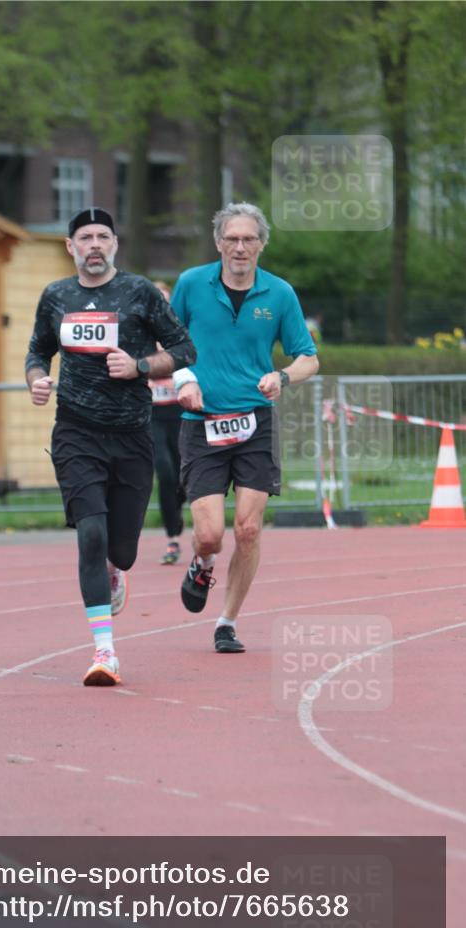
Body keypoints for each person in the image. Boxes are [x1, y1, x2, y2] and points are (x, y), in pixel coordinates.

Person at [25, 207, 196, 686]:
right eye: (85, 237)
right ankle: (105, 651)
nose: (94, 244)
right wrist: (38, 380)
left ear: (115, 244)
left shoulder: (139, 292)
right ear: (71, 247)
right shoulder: (56, 296)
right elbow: (38, 351)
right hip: (76, 433)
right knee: (91, 534)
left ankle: (117, 571)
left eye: (103, 236)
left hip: (132, 433)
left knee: (121, 550)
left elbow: (185, 351)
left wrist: (140, 367)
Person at [171, 202, 319, 653]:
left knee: (248, 530)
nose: (239, 247)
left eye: (248, 239)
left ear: (261, 244)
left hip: (256, 423)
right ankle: (201, 562)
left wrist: (283, 376)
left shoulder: (279, 294)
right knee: (212, 534)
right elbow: (167, 339)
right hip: (202, 424)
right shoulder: (191, 284)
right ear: (218, 243)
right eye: (231, 239)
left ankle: (227, 622)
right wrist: (185, 379)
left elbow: (308, 357)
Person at [149, 281, 185, 565]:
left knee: (184, 476)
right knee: (165, 472)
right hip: (151, 415)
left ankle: (179, 508)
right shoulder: (137, 334)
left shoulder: (180, 333)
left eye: (164, 299)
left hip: (182, 413)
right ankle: (172, 538)